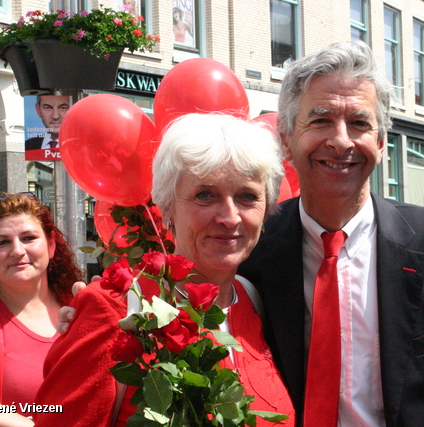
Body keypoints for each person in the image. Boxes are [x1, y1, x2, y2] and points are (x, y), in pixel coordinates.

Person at [237, 41, 424, 426]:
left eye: (360, 124)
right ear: (285, 138)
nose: (342, 140)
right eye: (320, 120)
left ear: (381, 143)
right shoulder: (251, 249)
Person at [33, 113, 295, 426]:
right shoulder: (118, 308)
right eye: (205, 194)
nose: (230, 217)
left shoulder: (257, 301)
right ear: (168, 207)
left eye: (247, 196)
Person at [0, 192, 83, 426]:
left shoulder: (82, 307)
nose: (18, 251)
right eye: (2, 242)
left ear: (51, 245)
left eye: (28, 238)